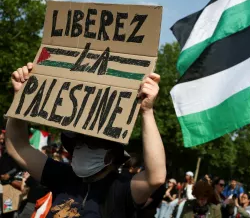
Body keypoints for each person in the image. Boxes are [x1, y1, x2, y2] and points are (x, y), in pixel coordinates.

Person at [6, 62, 166, 217]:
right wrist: (20, 98)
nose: (80, 148)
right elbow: (18, 147)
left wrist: (146, 111)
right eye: (78, 143)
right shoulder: (63, 176)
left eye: (90, 143)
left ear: (110, 155)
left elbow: (156, 177)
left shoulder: (120, 189)